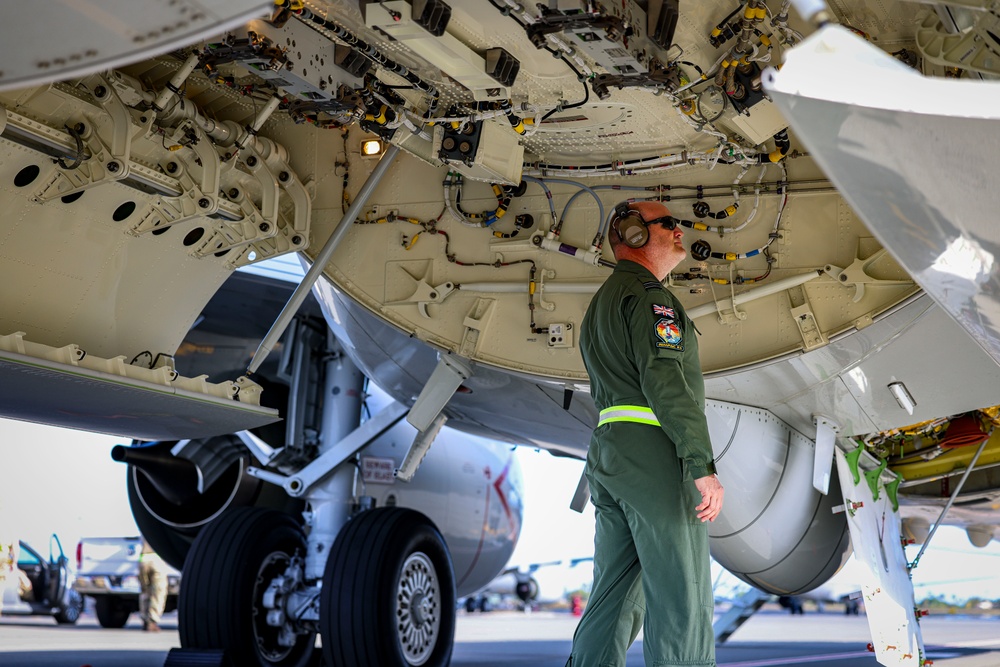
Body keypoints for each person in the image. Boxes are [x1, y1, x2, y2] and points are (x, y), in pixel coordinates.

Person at [567, 201, 725, 667]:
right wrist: (701, 465)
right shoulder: (653, 298)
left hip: (610, 454)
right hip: (654, 457)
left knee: (613, 596)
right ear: (636, 235)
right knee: (683, 594)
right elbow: (665, 380)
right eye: (669, 224)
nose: (680, 232)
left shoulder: (603, 302)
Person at [138, 537, 167, 632]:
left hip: (143, 558)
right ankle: (152, 621)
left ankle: (145, 619)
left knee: (145, 591)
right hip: (157, 558)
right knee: (158, 592)